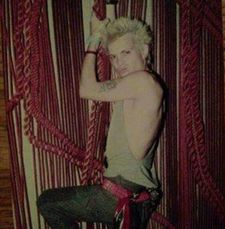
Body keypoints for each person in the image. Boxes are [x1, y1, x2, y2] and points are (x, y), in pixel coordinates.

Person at [37, 15, 164, 229]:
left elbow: (87, 89)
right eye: (113, 57)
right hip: (135, 197)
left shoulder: (142, 81)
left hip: (121, 194)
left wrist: (94, 40)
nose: (118, 62)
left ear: (144, 51)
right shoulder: (144, 85)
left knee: (48, 202)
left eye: (126, 52)